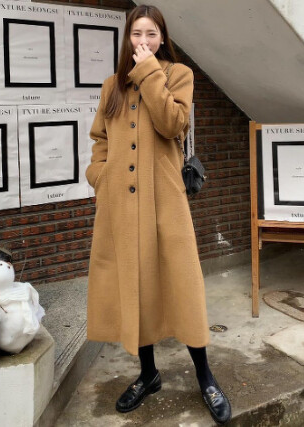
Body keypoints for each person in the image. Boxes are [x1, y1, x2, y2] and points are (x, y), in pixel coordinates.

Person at [85, 5, 231, 424]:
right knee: (136, 285)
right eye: (137, 34)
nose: (143, 41)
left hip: (166, 202)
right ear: (127, 38)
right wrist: (99, 176)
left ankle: (205, 376)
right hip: (120, 204)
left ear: (162, 38)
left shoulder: (178, 75)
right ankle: (148, 374)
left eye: (151, 34)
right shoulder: (112, 85)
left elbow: (172, 124)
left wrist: (149, 71)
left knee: (184, 286)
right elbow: (100, 140)